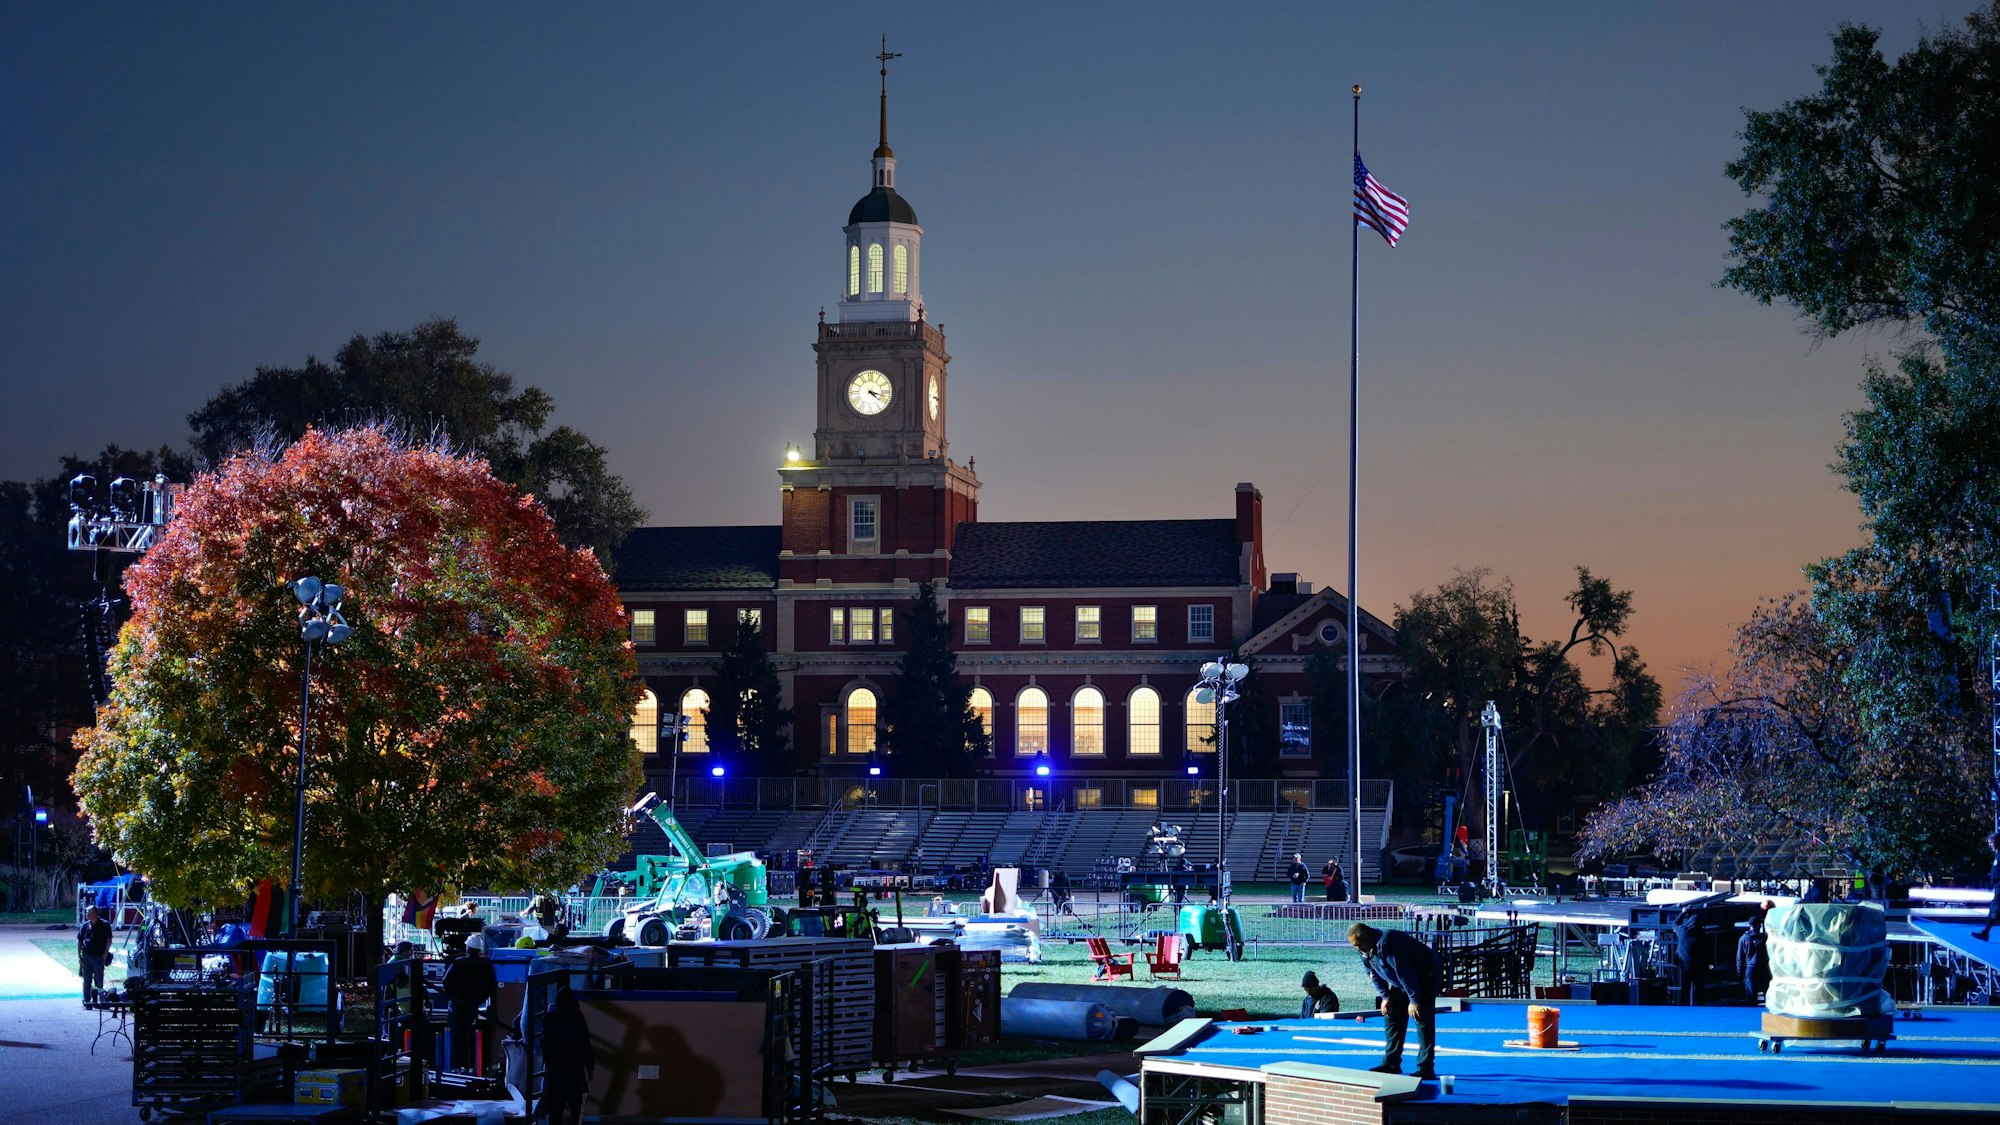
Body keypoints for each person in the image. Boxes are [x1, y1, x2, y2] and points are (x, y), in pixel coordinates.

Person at [1348, 923, 1443, 1081]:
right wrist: (1386, 997)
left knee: (1421, 1016)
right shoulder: (1362, 948)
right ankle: (1391, 1063)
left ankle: (1425, 1068)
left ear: (1369, 935)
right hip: (1403, 979)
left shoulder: (1387, 942)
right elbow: (1372, 973)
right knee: (1392, 1013)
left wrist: (1414, 1000)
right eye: (1354, 946)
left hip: (1425, 973)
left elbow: (1404, 971)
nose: (1358, 948)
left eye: (1360, 944)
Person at [540, 988, 597, 1125]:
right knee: (577, 1112)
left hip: (555, 1073)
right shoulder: (577, 1016)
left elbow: (545, 1044)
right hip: (575, 1072)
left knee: (555, 1113)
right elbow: (585, 1043)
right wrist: (590, 1067)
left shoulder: (550, 1017)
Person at [442, 937, 499, 1071]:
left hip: (457, 1006)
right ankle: (472, 1066)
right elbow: (491, 987)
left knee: (457, 1037)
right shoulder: (486, 965)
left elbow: (445, 982)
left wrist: (454, 997)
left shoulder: (459, 963)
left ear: (467, 948)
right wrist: (479, 1000)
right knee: (471, 1035)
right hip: (473, 1006)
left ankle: (456, 1066)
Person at [77, 906, 113, 1006]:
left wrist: (105, 954)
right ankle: (87, 1000)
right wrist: (79, 956)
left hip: (99, 956)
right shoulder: (85, 926)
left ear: (94, 913)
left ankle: (99, 999)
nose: (86, 914)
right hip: (87, 956)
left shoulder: (105, 925)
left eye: (88, 912)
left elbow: (109, 940)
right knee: (86, 979)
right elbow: (79, 940)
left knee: (98, 979)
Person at [1737, 913, 1770, 1003]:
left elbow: (1739, 957)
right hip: (1763, 967)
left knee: (1751, 993)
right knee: (1767, 992)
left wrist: (1739, 971)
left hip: (1750, 967)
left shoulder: (1743, 938)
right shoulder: (1764, 937)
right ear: (1758, 925)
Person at [1976, 830, 2000, 941]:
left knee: (1994, 909)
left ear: (1995, 841)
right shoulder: (1998, 853)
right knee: (1994, 909)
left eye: (1990, 842)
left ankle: (1985, 933)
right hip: (1997, 886)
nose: (1989, 845)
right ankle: (1985, 932)